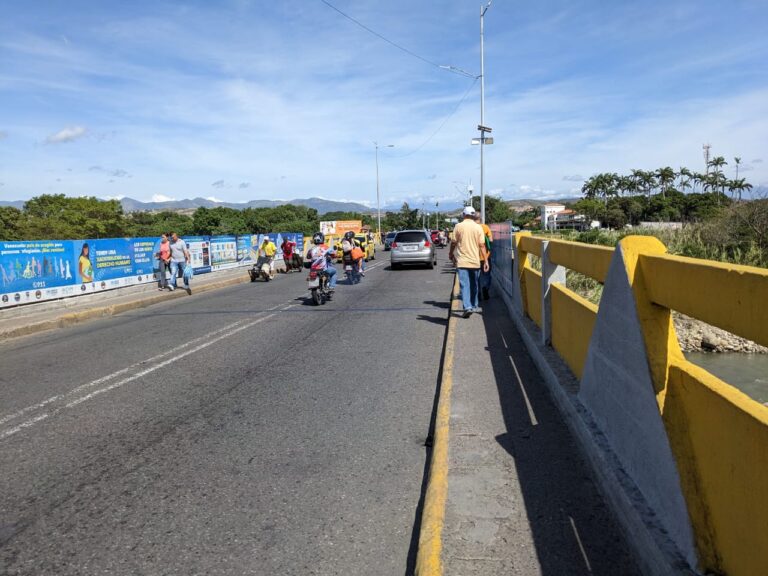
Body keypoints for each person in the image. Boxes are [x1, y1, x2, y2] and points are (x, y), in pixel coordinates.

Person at [449, 206, 489, 318]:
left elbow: (453, 242)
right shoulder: (478, 228)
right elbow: (482, 245)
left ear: (463, 215)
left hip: (462, 261)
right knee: (474, 284)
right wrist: (486, 261)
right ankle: (474, 305)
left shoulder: (458, 226)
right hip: (475, 261)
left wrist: (451, 253)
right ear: (473, 215)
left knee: (464, 285)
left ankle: (467, 307)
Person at [476, 214, 493, 300]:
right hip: (485, 256)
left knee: (476, 276)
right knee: (487, 275)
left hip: (474, 257)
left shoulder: (472, 228)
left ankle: (478, 293)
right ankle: (485, 288)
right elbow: (490, 240)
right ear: (481, 219)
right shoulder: (485, 227)